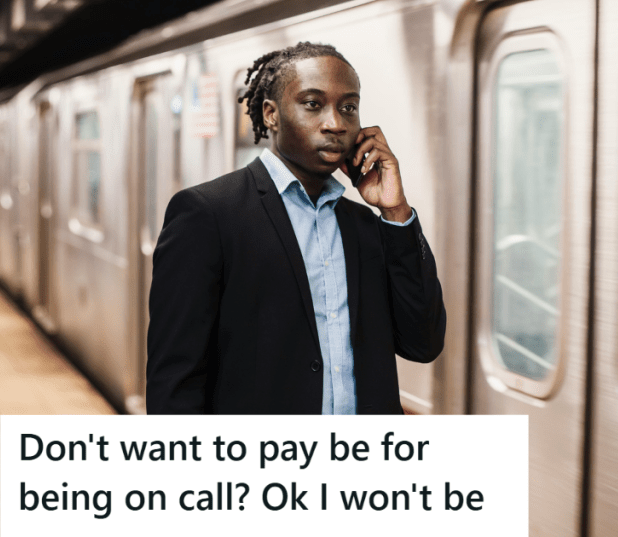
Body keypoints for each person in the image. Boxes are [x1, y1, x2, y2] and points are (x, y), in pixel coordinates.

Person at [146, 42, 446, 414]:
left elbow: (424, 342)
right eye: (313, 104)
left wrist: (397, 212)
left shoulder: (368, 227)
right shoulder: (207, 214)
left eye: (348, 107)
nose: (336, 123)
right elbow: (175, 380)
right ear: (271, 114)